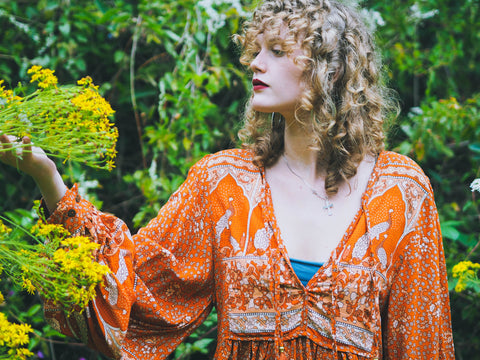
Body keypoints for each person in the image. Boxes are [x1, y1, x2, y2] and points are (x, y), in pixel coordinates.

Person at [0, 0, 455, 359]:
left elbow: (422, 345)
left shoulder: (401, 192)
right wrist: (48, 178)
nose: (254, 63)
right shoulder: (222, 183)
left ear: (330, 70)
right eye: (255, 50)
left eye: (276, 52)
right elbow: (133, 294)